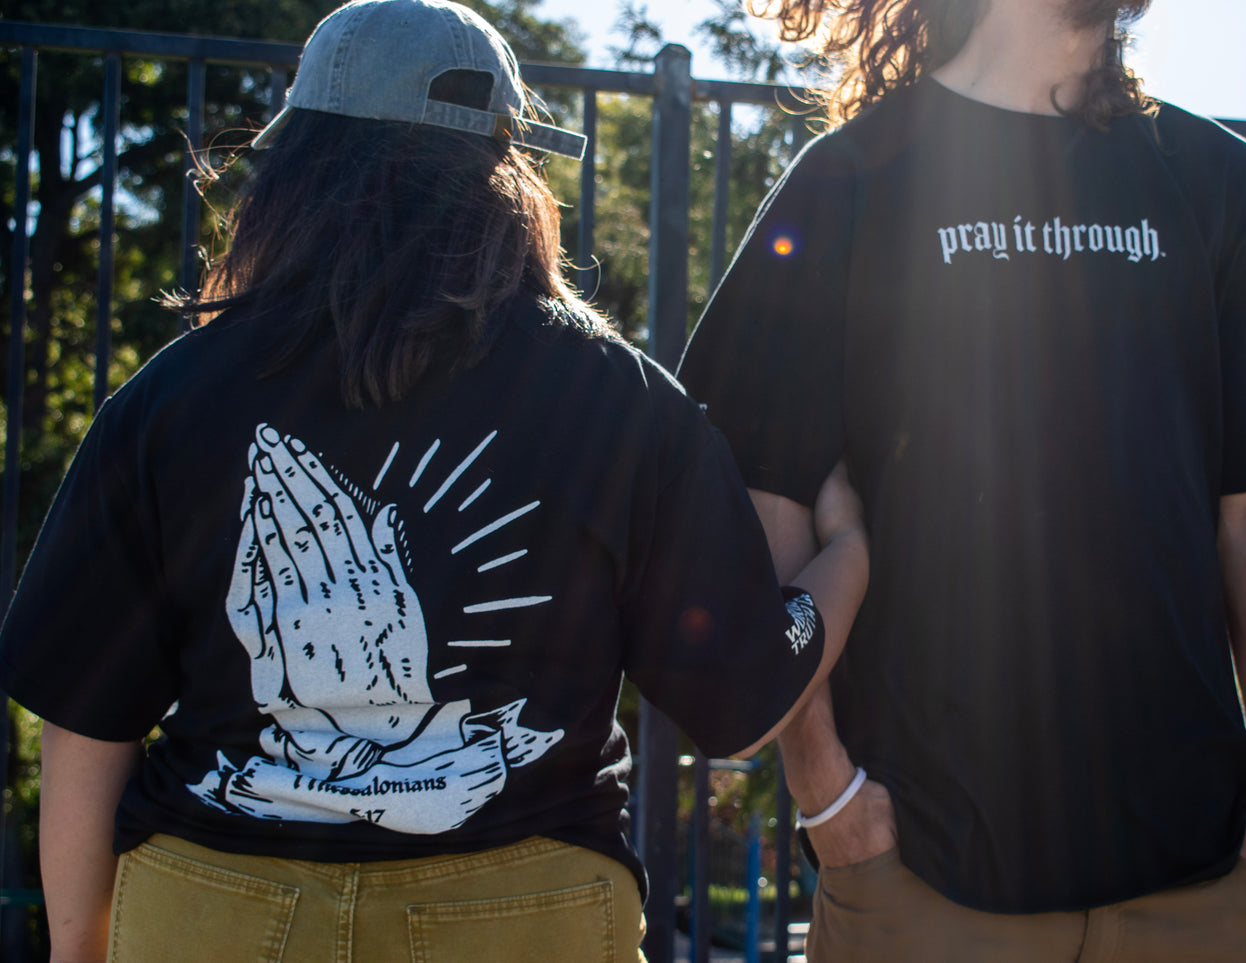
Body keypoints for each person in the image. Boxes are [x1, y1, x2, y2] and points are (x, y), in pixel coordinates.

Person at [0, 2, 869, 961]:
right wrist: (852, 559)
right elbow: (740, 696)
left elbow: (82, 715)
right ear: (510, 175)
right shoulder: (617, 399)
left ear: (294, 173)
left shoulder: (170, 398)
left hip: (213, 906)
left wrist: (80, 945)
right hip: (521, 916)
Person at [678, 0, 1246, 959]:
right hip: (925, 878)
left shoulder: (1216, 184)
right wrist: (831, 795)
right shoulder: (847, 180)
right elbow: (760, 501)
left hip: (1205, 880)